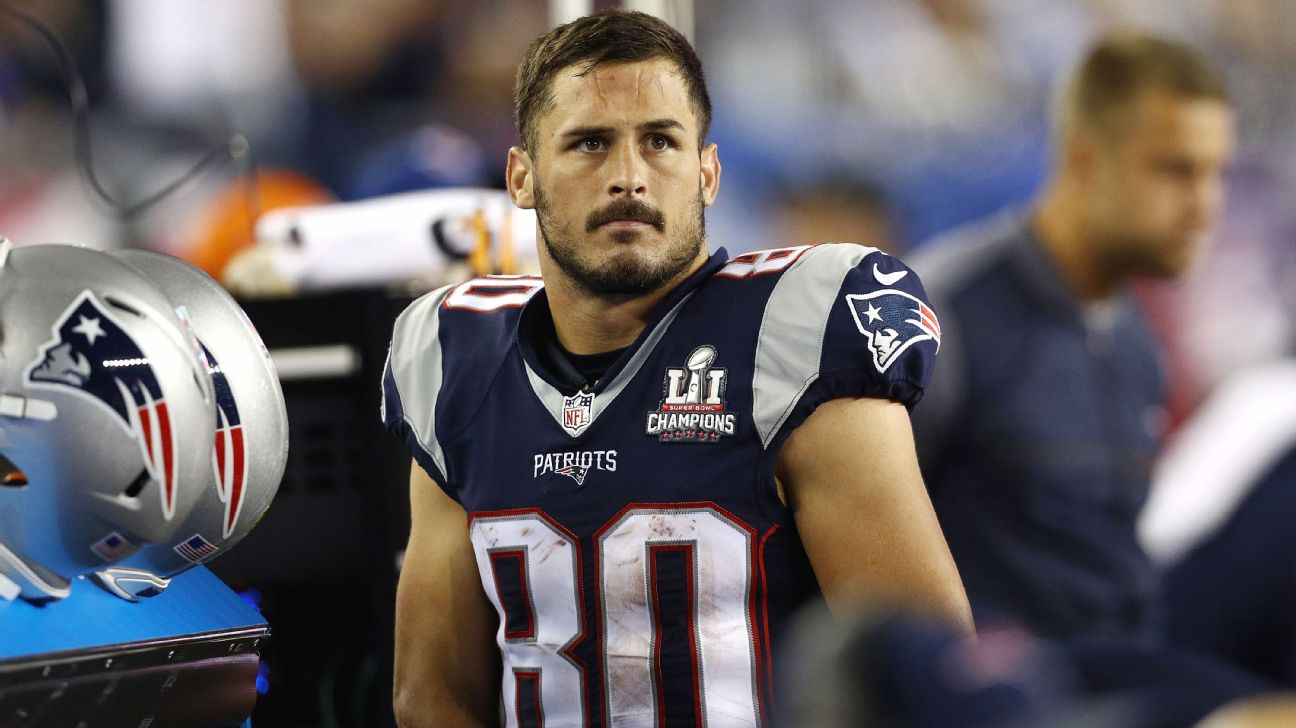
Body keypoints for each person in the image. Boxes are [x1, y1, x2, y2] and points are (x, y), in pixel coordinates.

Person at [381, 10, 971, 727]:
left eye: (660, 141)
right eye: (590, 143)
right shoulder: (455, 361)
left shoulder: (792, 337)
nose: (628, 177)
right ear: (522, 176)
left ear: (708, 172)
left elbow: (922, 681)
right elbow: (433, 699)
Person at [909, 32, 1236, 640]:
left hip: (1126, 675)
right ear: (1086, 161)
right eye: (1176, 171)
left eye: (1216, 173)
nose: (1205, 205)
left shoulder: (1137, 336)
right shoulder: (938, 313)